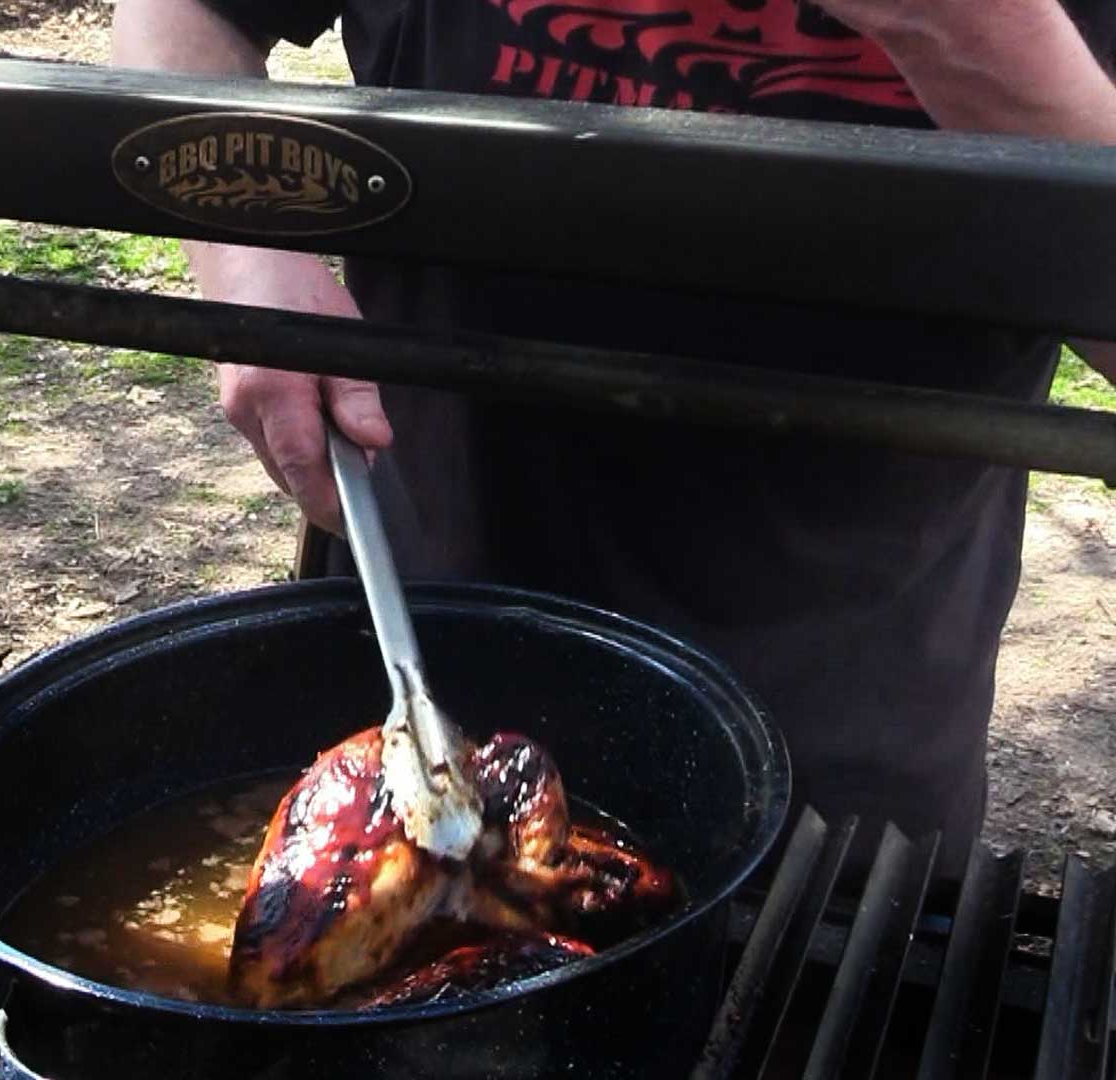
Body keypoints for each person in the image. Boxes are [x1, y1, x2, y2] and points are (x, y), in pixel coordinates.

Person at [111, 0, 1116, 878]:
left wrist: (971, 36)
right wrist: (245, 253)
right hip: (424, 608)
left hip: (847, 700)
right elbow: (189, 12)